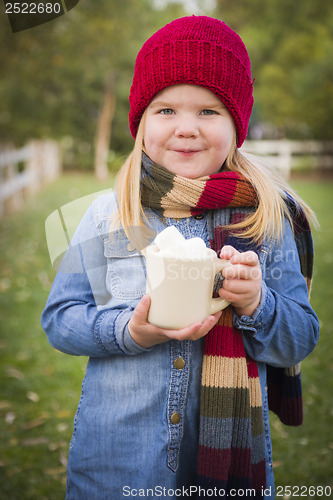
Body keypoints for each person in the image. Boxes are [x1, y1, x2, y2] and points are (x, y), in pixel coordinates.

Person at [41, 16, 319, 499]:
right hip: (117, 466)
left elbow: (300, 338)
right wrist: (130, 330)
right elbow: (61, 319)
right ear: (141, 122)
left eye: (209, 111)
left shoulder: (266, 218)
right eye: (166, 109)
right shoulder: (108, 216)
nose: (186, 128)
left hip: (225, 475)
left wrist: (257, 303)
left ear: (237, 124)